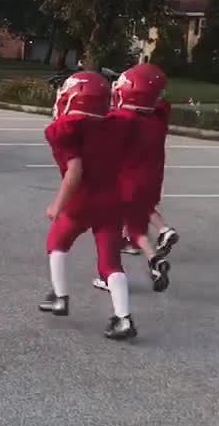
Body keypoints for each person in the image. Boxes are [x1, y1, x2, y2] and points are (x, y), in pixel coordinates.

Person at [39, 72, 137, 341]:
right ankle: (123, 318)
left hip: (82, 200)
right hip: (112, 199)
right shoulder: (116, 124)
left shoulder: (67, 130)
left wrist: (58, 204)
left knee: (56, 242)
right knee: (110, 263)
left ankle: (60, 297)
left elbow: (75, 170)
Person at [92, 63, 174, 294]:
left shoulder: (125, 120)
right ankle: (154, 260)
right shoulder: (158, 118)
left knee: (109, 230)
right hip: (150, 180)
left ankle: (108, 275)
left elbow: (103, 126)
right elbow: (159, 103)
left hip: (125, 182)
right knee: (136, 230)